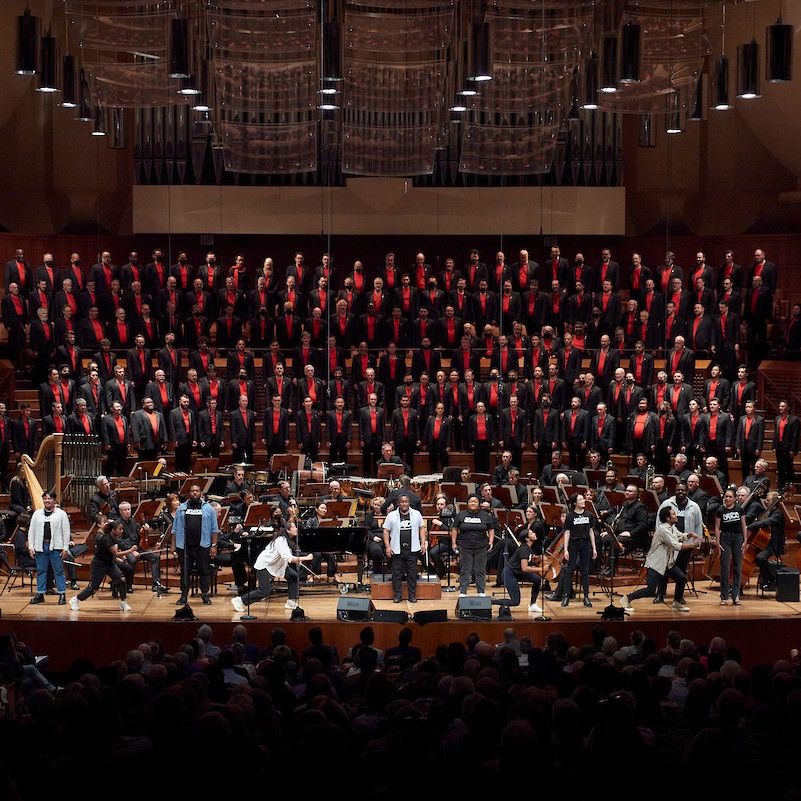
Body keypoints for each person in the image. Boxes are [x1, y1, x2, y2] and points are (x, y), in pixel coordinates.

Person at [620, 506, 698, 613]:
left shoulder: (672, 528)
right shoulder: (662, 529)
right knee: (651, 590)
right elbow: (675, 545)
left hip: (667, 563)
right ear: (668, 518)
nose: (676, 515)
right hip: (656, 563)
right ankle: (627, 598)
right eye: (673, 514)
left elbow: (679, 536)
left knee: (681, 578)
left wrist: (689, 535)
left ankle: (677, 603)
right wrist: (692, 546)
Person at [231, 520, 312, 612]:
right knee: (264, 591)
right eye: (294, 527)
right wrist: (306, 558)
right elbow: (288, 558)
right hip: (265, 565)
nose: (296, 529)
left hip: (277, 565)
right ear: (288, 530)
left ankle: (291, 602)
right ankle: (239, 600)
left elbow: (285, 556)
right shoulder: (281, 540)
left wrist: (297, 560)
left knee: (293, 576)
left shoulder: (286, 540)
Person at [171, 484, 219, 606]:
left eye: (197, 491)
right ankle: (183, 596)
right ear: (189, 493)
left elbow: (214, 529)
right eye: (192, 491)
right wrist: (173, 545)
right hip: (184, 547)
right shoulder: (182, 508)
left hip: (203, 545)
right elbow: (174, 529)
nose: (195, 493)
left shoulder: (208, 508)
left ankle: (205, 595)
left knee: (204, 571)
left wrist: (214, 545)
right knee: (185, 572)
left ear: (201, 493)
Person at [69, 520, 131, 612]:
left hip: (109, 563)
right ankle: (76, 599)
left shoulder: (114, 538)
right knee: (94, 588)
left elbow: (113, 554)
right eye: (120, 529)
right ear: (113, 530)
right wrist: (131, 550)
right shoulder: (106, 539)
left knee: (121, 579)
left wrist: (121, 558)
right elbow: (116, 553)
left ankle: (123, 602)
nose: (122, 531)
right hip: (99, 565)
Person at [27, 490, 70, 605]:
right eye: (45, 498)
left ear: (54, 500)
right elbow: (31, 531)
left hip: (56, 547)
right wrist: (31, 546)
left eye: (49, 498)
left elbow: (66, 531)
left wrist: (65, 548)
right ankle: (40, 594)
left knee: (58, 571)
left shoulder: (61, 514)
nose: (47, 500)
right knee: (41, 571)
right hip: (41, 546)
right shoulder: (37, 514)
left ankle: (62, 594)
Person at [383, 493, 427, 603]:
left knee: (412, 574)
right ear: (398, 503)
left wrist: (423, 543)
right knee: (396, 574)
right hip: (396, 549)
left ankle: (412, 596)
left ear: (409, 503)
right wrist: (387, 547)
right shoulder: (391, 515)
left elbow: (422, 528)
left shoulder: (416, 514)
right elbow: (386, 531)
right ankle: (397, 595)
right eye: (402, 502)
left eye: (406, 502)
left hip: (412, 549)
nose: (404, 504)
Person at [451, 493, 495, 597]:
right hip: (465, 546)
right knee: (465, 570)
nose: (473, 503)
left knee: (480, 570)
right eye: (471, 501)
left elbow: (491, 529)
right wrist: (454, 543)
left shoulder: (485, 515)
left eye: (475, 501)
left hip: (481, 546)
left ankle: (481, 592)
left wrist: (491, 541)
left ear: (479, 503)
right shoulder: (461, 515)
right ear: (467, 503)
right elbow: (455, 529)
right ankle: (463, 592)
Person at [561, 493, 598, 608]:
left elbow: (591, 531)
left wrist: (594, 547)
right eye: (581, 499)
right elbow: (567, 532)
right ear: (575, 503)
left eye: (583, 499)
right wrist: (565, 549)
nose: (583, 501)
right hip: (574, 544)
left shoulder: (589, 515)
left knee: (585, 571)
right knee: (570, 570)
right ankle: (566, 596)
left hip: (585, 544)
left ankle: (586, 597)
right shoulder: (570, 516)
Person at [715, 487, 748, 606]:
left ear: (734, 499)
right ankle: (724, 596)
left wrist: (745, 540)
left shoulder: (740, 510)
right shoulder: (720, 510)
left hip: (738, 537)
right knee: (725, 567)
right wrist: (718, 542)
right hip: (725, 538)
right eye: (726, 497)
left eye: (730, 497)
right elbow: (717, 528)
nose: (727, 498)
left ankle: (736, 595)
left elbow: (744, 526)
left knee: (737, 567)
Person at [501, 525, 543, 613]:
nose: (534, 533)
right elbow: (525, 568)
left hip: (518, 572)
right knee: (515, 602)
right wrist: (541, 569)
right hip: (509, 574)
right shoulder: (524, 549)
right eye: (531, 533)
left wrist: (540, 557)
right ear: (527, 539)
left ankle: (533, 605)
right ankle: (490, 601)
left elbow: (531, 557)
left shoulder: (527, 547)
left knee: (537, 579)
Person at [751, 490, 785, 592]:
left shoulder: (777, 513)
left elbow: (767, 522)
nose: (766, 501)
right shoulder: (769, 512)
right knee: (753, 556)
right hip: (766, 543)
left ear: (774, 501)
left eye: (768, 500)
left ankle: (771, 580)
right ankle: (765, 579)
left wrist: (750, 526)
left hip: (774, 545)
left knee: (760, 558)